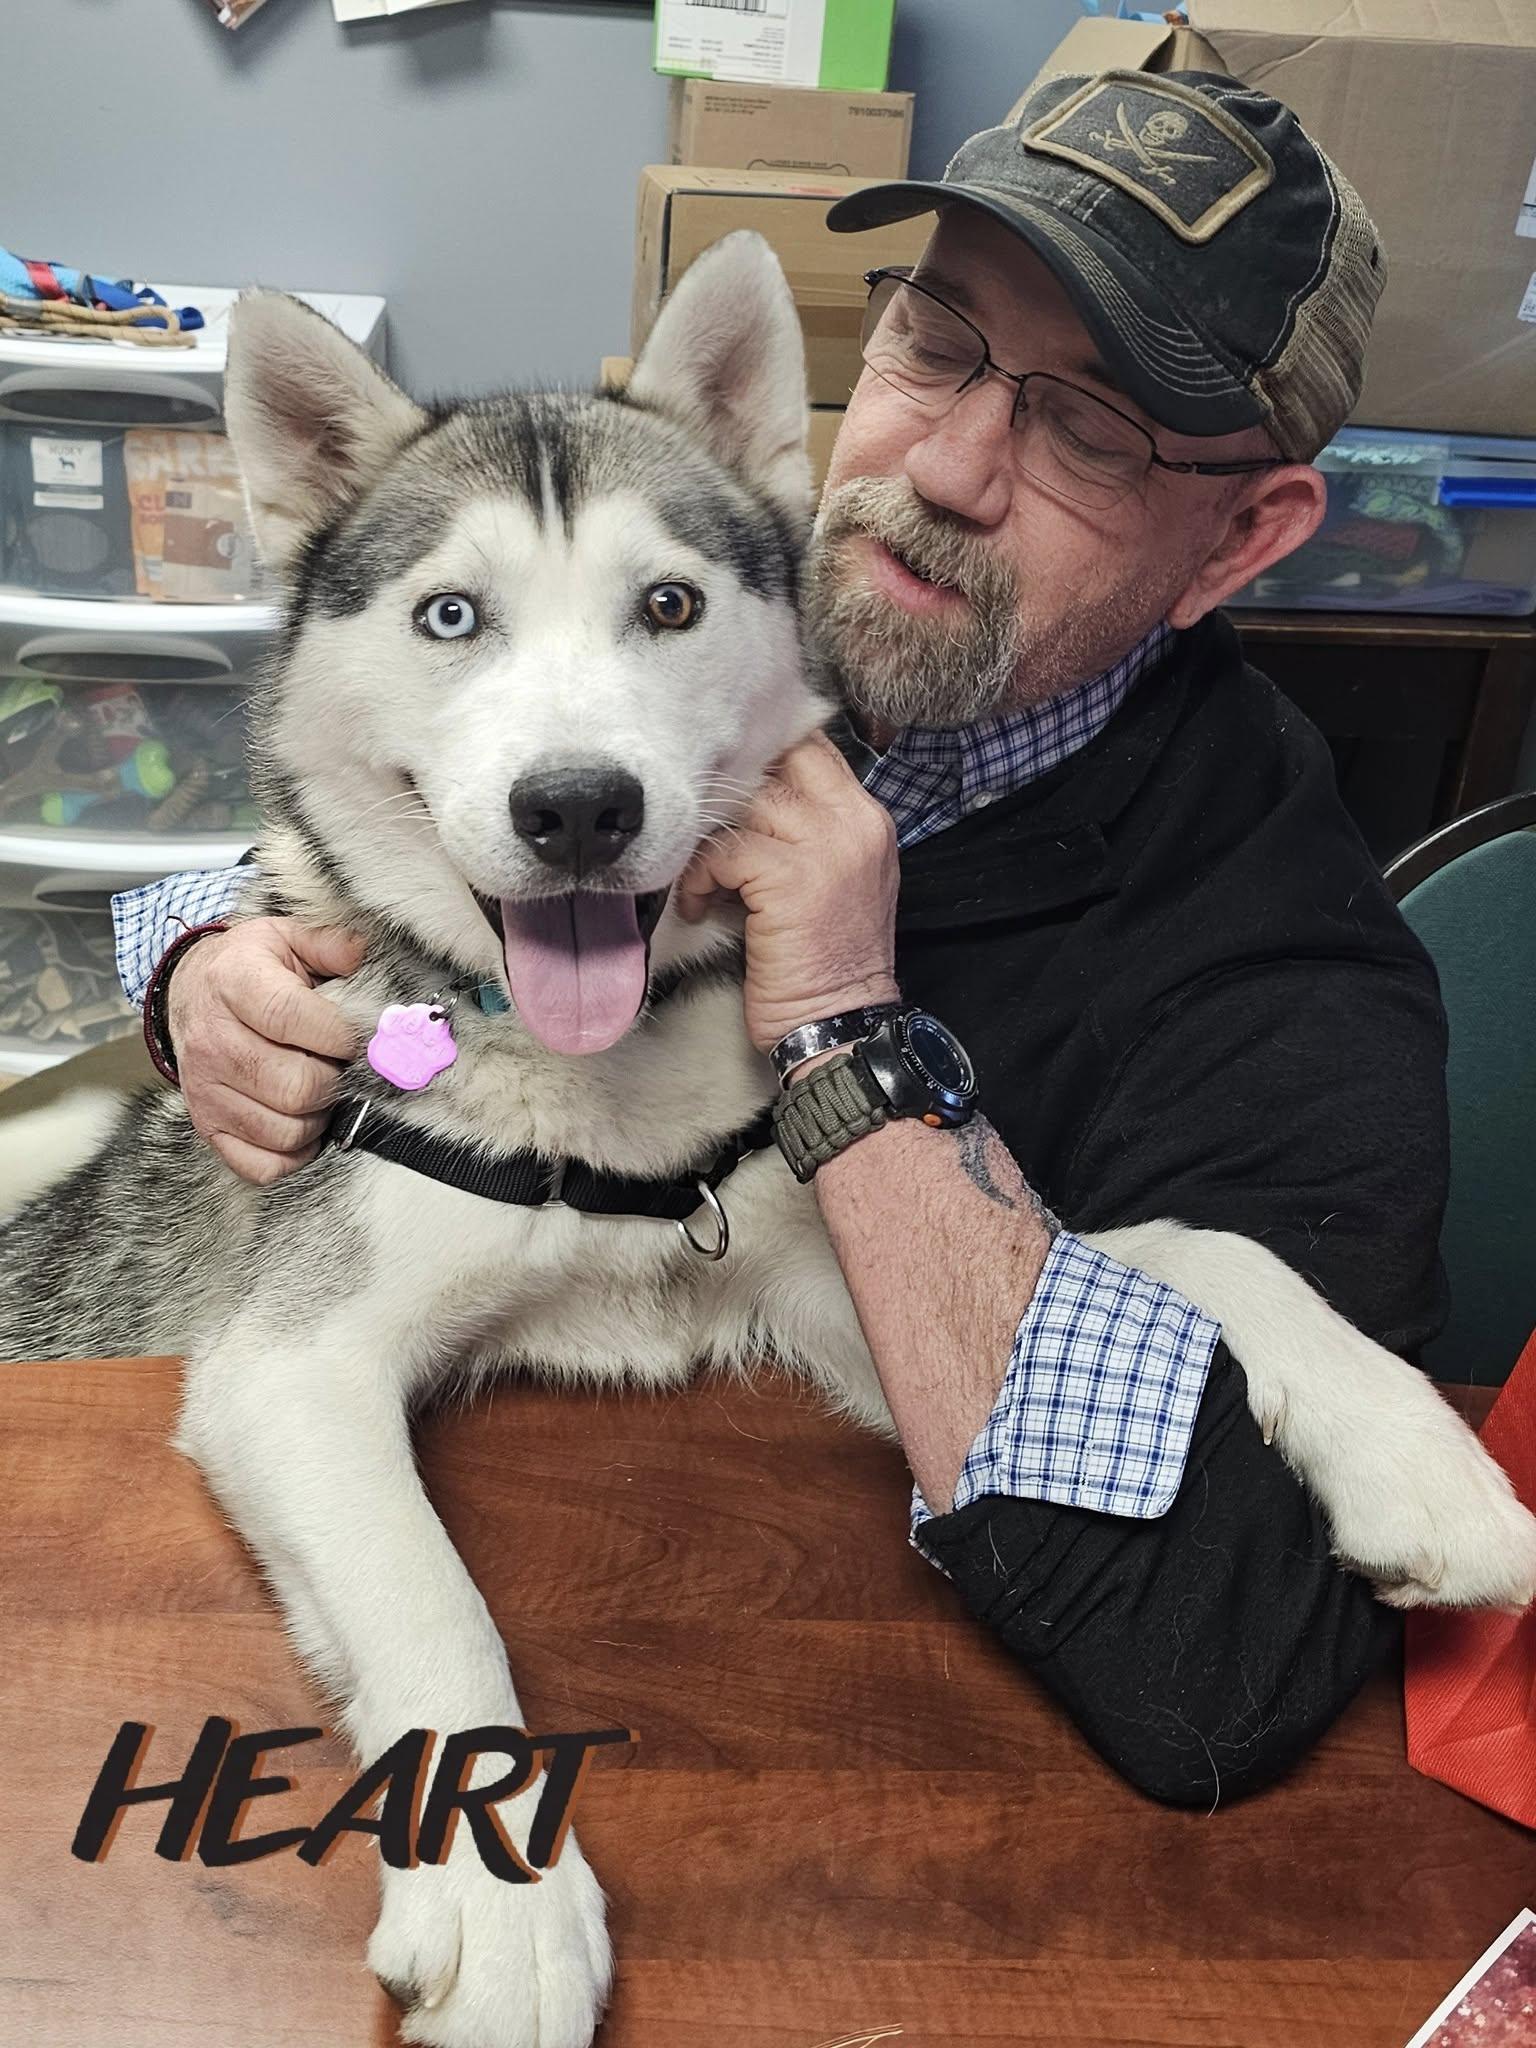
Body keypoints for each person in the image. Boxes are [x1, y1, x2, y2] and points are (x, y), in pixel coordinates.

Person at [111, 71, 1450, 1806]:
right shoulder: (755, 606)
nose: (949, 470)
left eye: (1094, 430)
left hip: (854, 1738)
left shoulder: (1284, 981)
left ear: (1241, 539)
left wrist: (842, 1021)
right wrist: (193, 958)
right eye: (939, 343)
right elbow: (415, 794)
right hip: (331, 1567)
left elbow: (1222, 1662)